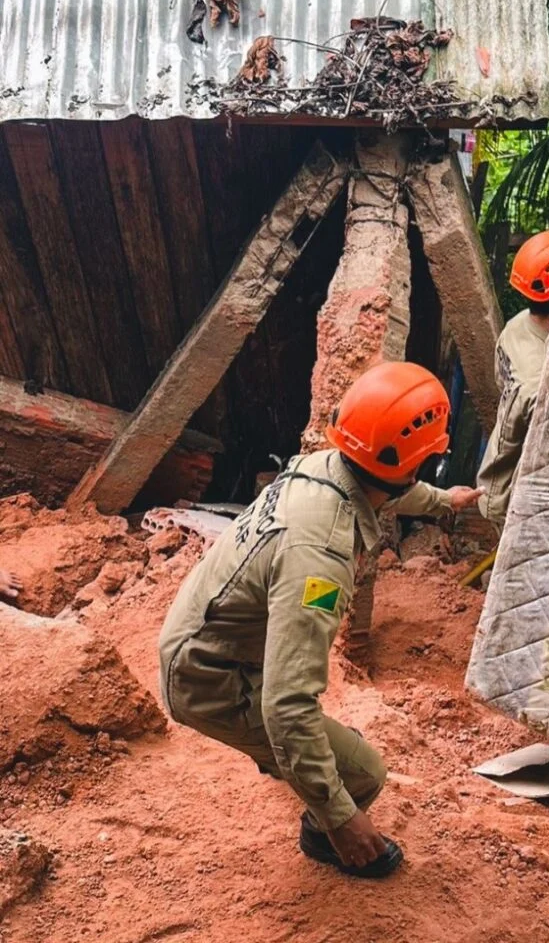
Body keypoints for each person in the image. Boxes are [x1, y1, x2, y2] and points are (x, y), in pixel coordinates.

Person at [158, 362, 481, 879]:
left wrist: (445, 500)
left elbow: (391, 485)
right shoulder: (320, 558)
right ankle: (319, 833)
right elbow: (287, 703)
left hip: (205, 633)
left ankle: (293, 759)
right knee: (363, 774)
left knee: (316, 741)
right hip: (208, 681)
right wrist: (339, 817)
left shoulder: (330, 463)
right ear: (418, 463)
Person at [477, 229, 549, 532]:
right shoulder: (539, 389)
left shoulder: (517, 326)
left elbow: (501, 382)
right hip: (515, 496)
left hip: (503, 479)